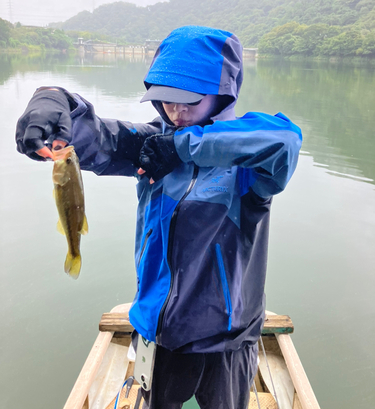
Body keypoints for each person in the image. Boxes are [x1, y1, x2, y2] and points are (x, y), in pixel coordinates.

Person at [16, 25, 302, 409]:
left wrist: (185, 147)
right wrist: (52, 100)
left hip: (228, 343)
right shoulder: (150, 146)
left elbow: (285, 140)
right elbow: (97, 137)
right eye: (166, 99)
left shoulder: (248, 165)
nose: (176, 112)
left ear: (222, 95)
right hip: (159, 334)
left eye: (189, 101)